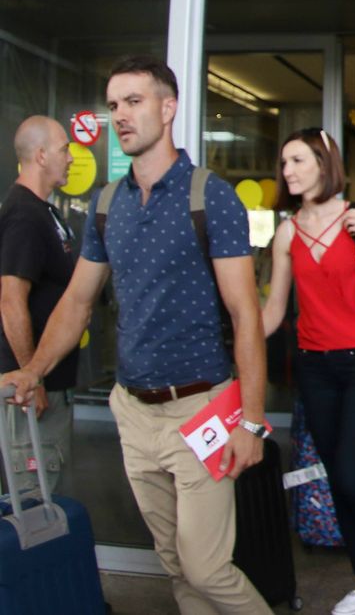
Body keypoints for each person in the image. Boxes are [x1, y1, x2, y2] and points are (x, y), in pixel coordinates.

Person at [2, 54, 272, 615]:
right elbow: (76, 303)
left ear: (168, 108)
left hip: (200, 410)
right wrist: (32, 370)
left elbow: (246, 314)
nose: (120, 115)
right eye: (114, 105)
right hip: (134, 412)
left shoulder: (209, 196)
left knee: (206, 566)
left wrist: (250, 420)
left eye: (134, 101)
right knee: (174, 563)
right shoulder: (105, 204)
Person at [261, 128, 355, 614]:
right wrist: (231, 342)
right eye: (284, 162)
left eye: (297, 160)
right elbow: (272, 313)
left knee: (351, 476)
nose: (287, 171)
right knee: (335, 477)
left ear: (324, 163)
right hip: (316, 368)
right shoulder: (286, 231)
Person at [0, 116, 78, 501]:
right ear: (42, 155)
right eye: (65, 149)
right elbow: (10, 299)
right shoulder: (24, 214)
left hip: (53, 382)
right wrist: (33, 377)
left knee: (51, 497)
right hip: (32, 391)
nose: (71, 157)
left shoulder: (46, 212)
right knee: (34, 507)